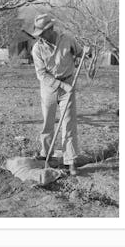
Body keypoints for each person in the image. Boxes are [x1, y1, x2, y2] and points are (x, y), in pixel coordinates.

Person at [31, 13, 85, 176]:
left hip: (69, 83)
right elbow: (41, 74)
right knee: (48, 121)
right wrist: (62, 85)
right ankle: (46, 154)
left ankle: (70, 161)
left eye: (42, 34)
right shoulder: (37, 48)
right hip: (49, 87)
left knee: (68, 123)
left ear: (51, 29)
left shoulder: (67, 39)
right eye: (38, 34)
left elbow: (80, 53)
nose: (40, 37)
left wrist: (86, 53)